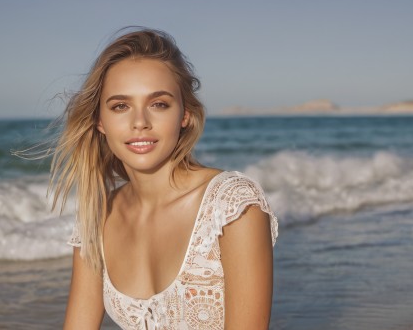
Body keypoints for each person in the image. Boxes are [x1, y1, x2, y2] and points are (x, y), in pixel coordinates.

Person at [50, 28, 279, 329]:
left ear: (184, 114)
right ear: (100, 121)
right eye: (120, 106)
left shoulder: (232, 206)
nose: (140, 122)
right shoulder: (98, 215)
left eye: (159, 104)